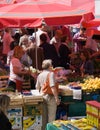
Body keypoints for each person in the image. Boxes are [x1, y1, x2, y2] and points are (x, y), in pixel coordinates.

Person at [35, 59, 60, 128]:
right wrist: (56, 98)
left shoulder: (40, 74)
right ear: (49, 66)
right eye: (51, 65)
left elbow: (37, 87)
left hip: (42, 96)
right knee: (51, 118)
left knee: (44, 117)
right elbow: (52, 87)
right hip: (50, 97)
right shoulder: (51, 74)